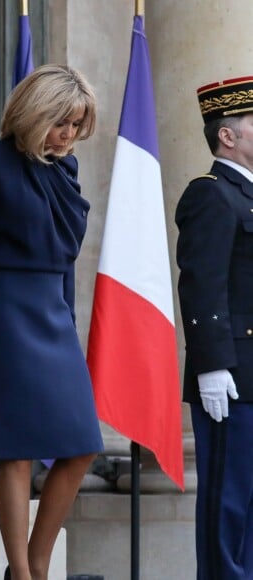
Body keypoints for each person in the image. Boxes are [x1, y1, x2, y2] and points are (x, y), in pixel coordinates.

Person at [0, 64, 104, 580]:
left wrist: (68, 323)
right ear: (33, 114)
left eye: (76, 125)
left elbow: (65, 260)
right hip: (5, 316)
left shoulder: (64, 170)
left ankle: (40, 560)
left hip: (53, 317)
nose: (68, 135)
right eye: (60, 122)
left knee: (83, 445)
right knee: (16, 449)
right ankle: (22, 572)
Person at [175, 76, 253, 580]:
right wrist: (211, 364)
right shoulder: (213, 195)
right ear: (228, 135)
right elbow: (203, 284)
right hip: (232, 375)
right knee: (229, 496)